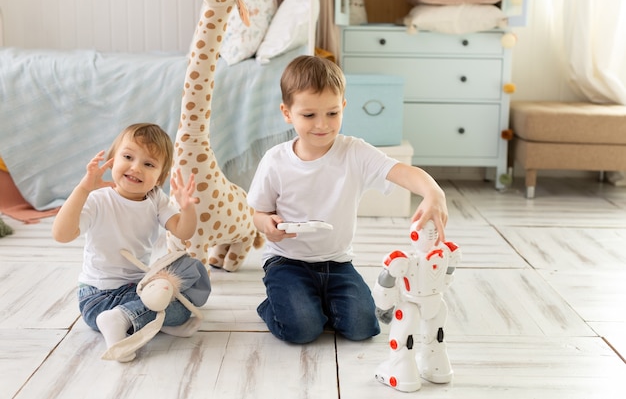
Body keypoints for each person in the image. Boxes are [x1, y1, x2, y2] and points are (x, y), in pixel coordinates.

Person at [246, 55, 448, 344]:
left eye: (331, 113)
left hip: (337, 262)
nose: (322, 124)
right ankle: (273, 304)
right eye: (309, 115)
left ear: (343, 107)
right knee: (302, 329)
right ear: (287, 112)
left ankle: (317, 301)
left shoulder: (354, 152)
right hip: (287, 260)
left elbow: (403, 172)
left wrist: (433, 191)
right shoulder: (276, 160)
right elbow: (258, 213)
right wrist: (268, 224)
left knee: (363, 327)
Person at [52, 123, 211, 361]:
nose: (136, 168)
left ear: (161, 177)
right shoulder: (98, 199)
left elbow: (183, 232)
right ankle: (122, 319)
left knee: (188, 281)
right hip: (97, 296)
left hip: (137, 289)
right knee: (172, 306)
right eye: (128, 157)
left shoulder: (156, 199)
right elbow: (61, 235)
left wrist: (187, 208)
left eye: (148, 164)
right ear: (112, 160)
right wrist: (83, 188)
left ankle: (138, 319)